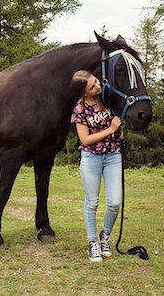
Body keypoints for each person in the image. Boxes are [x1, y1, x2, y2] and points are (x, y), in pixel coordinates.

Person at [70, 70, 123, 262]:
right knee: (92, 202)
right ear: (84, 92)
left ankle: (105, 236)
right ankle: (93, 242)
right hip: (91, 158)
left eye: (96, 82)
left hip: (113, 157)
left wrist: (119, 131)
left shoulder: (106, 99)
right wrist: (110, 130)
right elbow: (85, 139)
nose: (97, 86)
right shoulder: (80, 110)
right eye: (92, 87)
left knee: (114, 202)